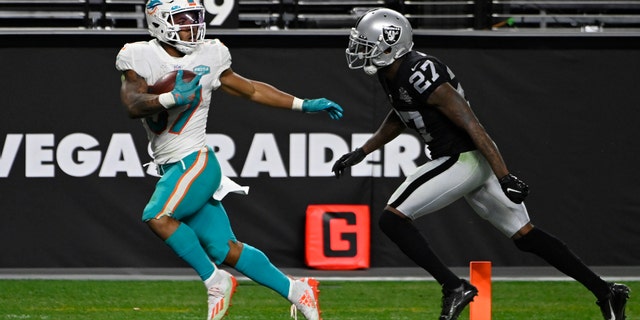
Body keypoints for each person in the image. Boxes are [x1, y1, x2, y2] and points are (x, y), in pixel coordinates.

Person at [332, 7, 630, 320]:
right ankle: (607, 292)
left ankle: (453, 287)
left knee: (392, 219)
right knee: (527, 237)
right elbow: (402, 113)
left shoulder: (420, 72)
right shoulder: (391, 72)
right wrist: (363, 151)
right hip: (465, 161)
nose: (360, 49)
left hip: (463, 158)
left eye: (367, 43)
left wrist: (504, 176)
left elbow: (474, 125)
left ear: (391, 44)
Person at [116, 1, 343, 319]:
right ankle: (297, 289)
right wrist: (170, 98)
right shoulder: (139, 55)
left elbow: (251, 90)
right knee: (224, 248)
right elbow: (133, 104)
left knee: (158, 216)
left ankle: (215, 280)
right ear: (159, 23)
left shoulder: (211, 53)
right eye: (182, 19)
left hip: (194, 161)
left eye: (196, 18)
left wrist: (303, 105)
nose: (192, 26)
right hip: (173, 165)